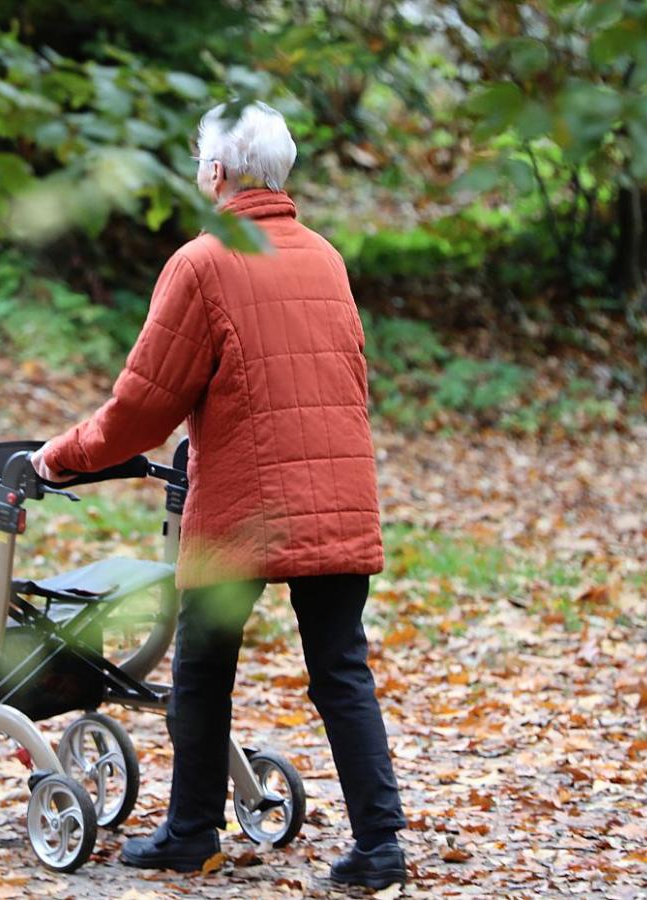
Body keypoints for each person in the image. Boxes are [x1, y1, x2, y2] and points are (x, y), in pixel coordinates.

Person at [31, 101, 407, 890]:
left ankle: (192, 831)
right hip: (339, 488)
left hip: (245, 503)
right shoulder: (327, 258)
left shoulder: (203, 262)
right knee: (341, 667)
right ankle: (381, 846)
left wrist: (58, 460)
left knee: (201, 668)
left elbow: (142, 406)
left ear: (216, 173)